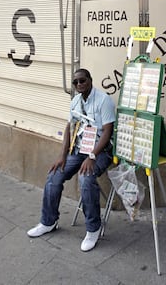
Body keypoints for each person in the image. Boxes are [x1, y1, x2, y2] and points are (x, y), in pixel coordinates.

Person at [27, 68, 116, 252]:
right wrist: (62, 154)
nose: (79, 85)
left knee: (86, 178)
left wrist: (92, 156)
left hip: (100, 152)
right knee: (54, 175)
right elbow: (69, 127)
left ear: (90, 80)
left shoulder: (104, 100)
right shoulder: (75, 101)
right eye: (75, 83)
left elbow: (108, 131)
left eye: (82, 80)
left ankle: (93, 228)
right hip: (79, 150)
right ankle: (48, 221)